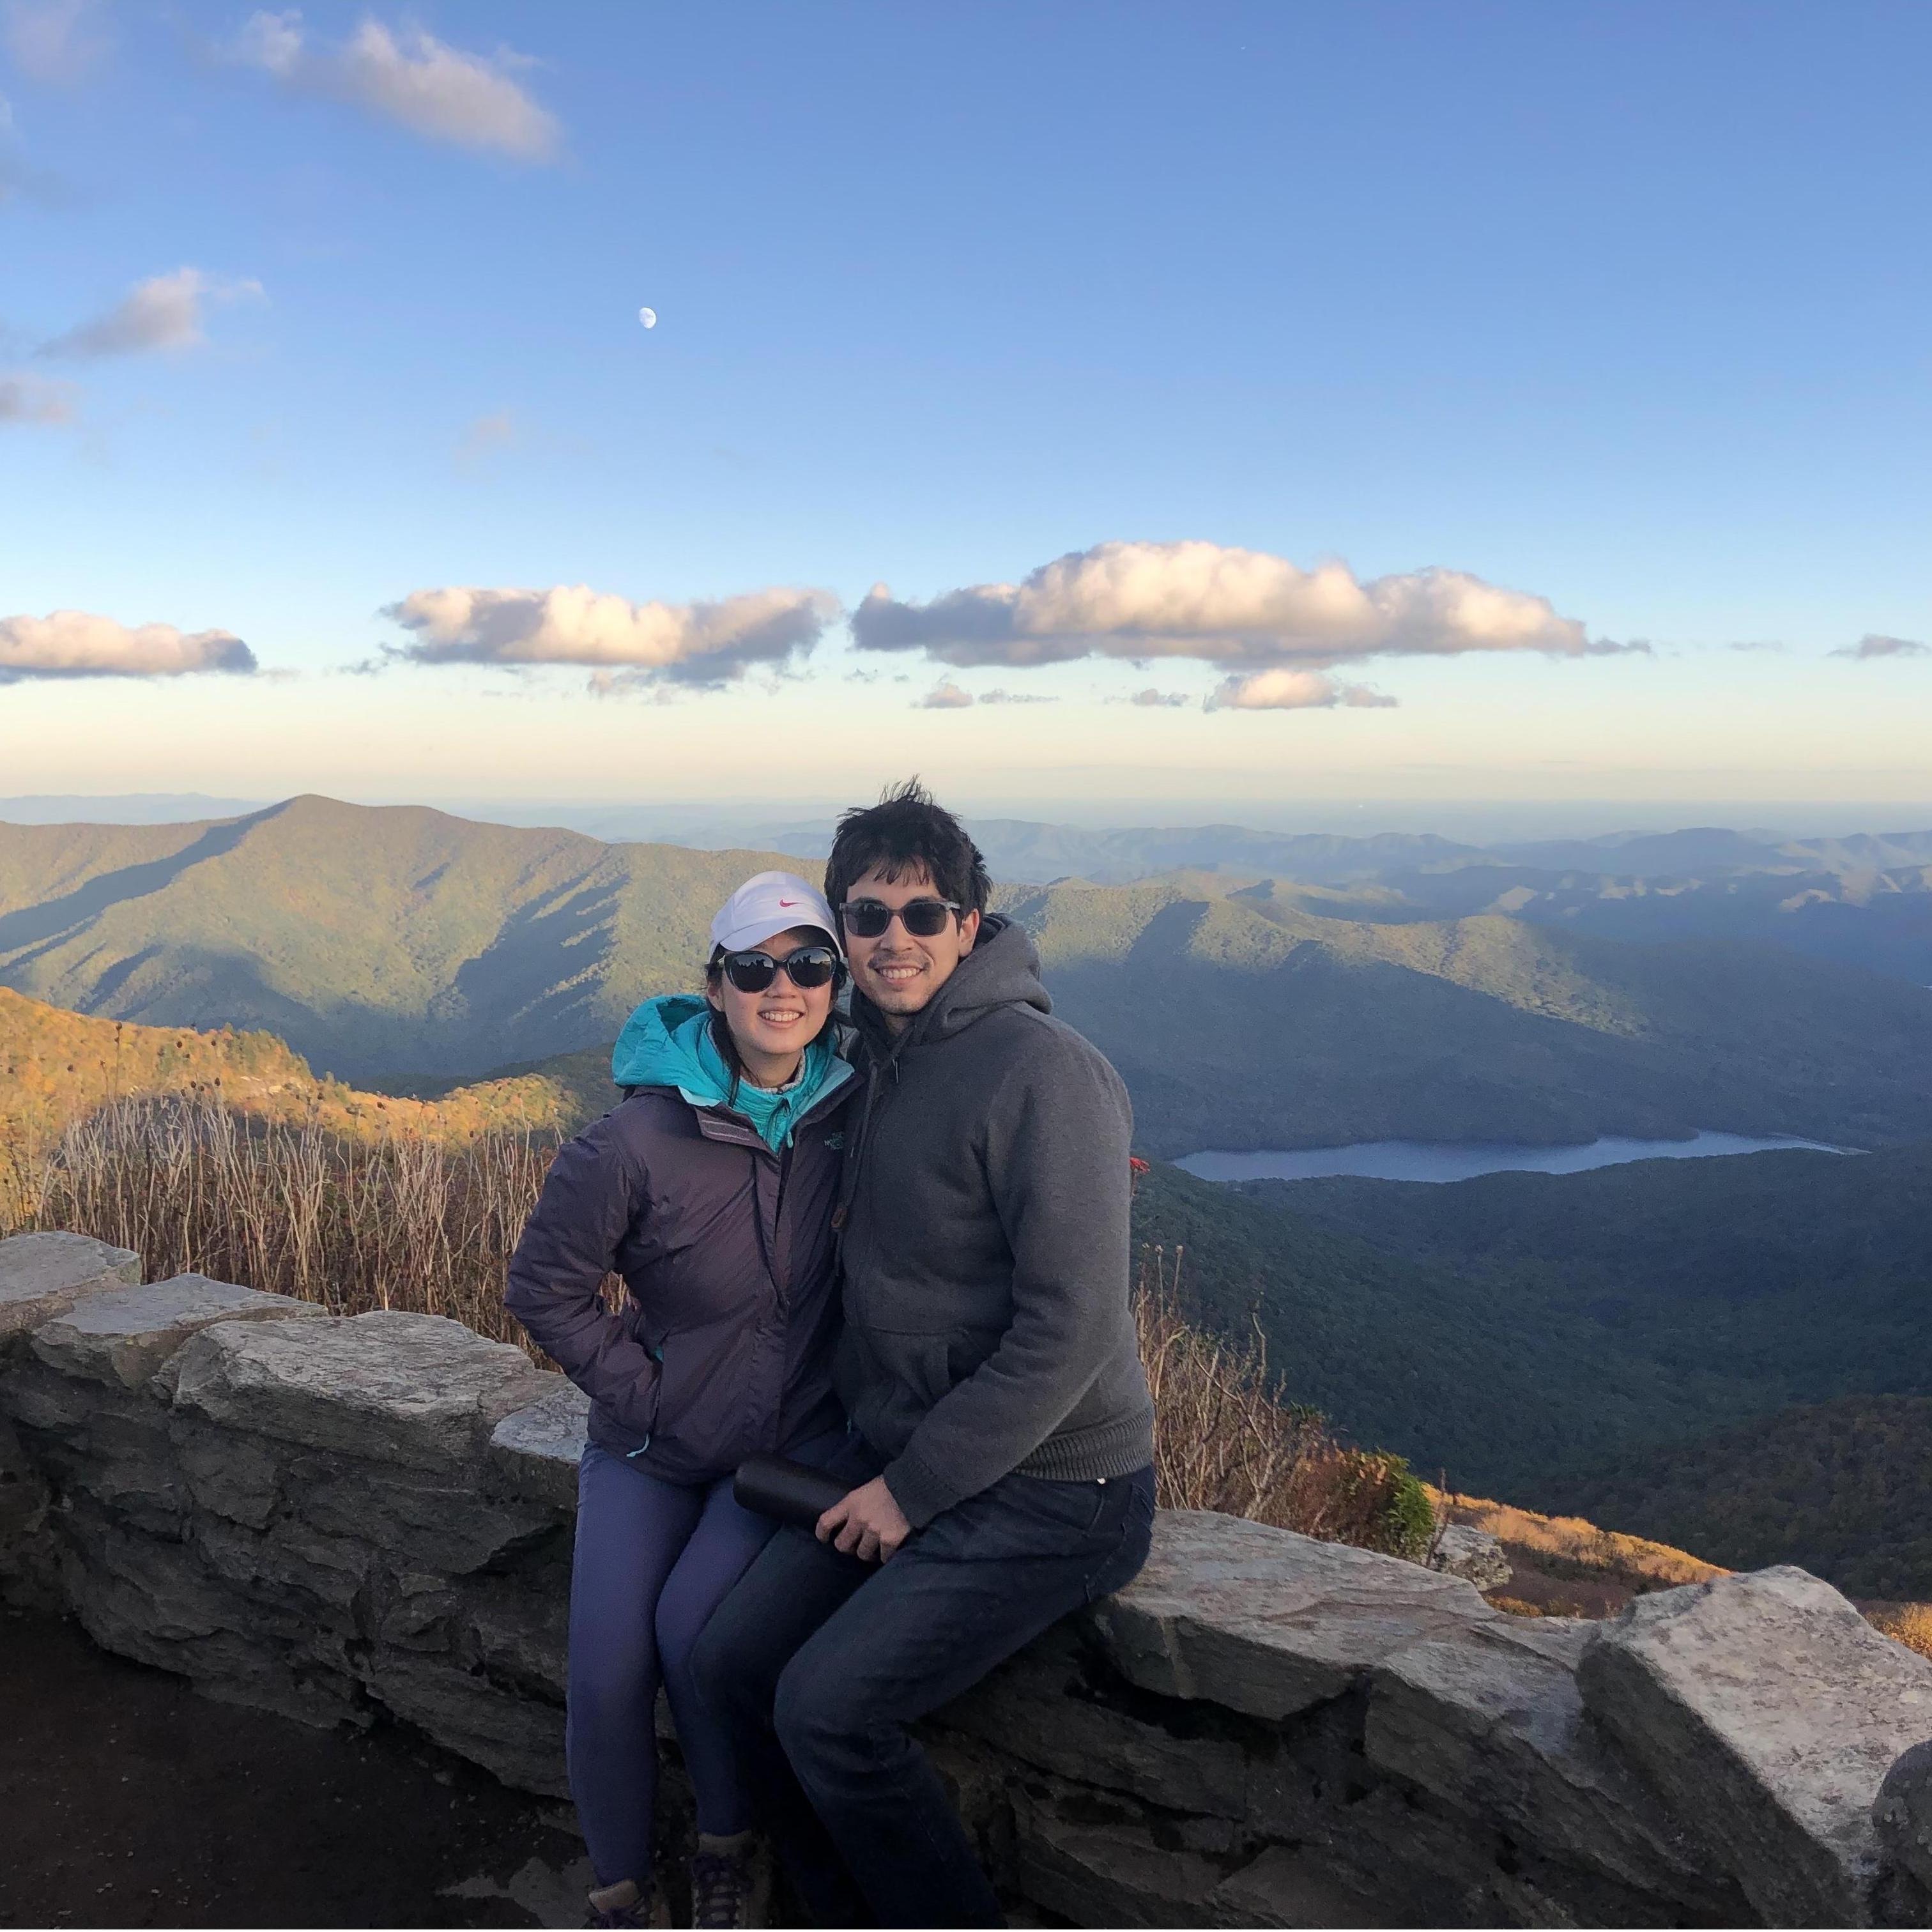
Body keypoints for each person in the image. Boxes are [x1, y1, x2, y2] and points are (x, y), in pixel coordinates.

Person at [689, 781, 1157, 1928]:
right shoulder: (868, 1052)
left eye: (922, 914)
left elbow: (1074, 1326)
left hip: (1058, 1488)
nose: (893, 939)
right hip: (902, 1450)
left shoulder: (1047, 1073)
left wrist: (911, 1491)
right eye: (866, 916)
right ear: (840, 931)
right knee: (724, 1668)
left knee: (829, 1712)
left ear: (972, 923)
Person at [504, 872, 857, 1931]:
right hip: (652, 1447)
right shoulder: (634, 1143)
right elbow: (544, 1287)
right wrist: (646, 1395)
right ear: (717, 985)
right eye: (756, 968)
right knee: (607, 1669)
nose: (782, 989)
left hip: (782, 1451)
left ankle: (722, 1845)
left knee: (696, 1643)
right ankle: (619, 1884)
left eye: (808, 966)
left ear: (835, 985)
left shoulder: (854, 1111)